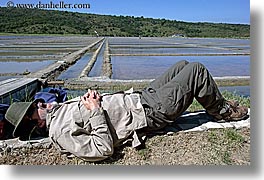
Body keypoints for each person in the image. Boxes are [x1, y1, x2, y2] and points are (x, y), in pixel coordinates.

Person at [4, 60, 248, 162]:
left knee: (181, 66)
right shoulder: (60, 131)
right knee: (195, 70)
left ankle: (219, 104)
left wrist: (91, 100)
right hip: (149, 113)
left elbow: (88, 112)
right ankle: (223, 111)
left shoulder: (59, 112)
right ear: (35, 124)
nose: (41, 103)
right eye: (35, 109)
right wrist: (97, 109)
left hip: (141, 98)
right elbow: (102, 149)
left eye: (37, 103)